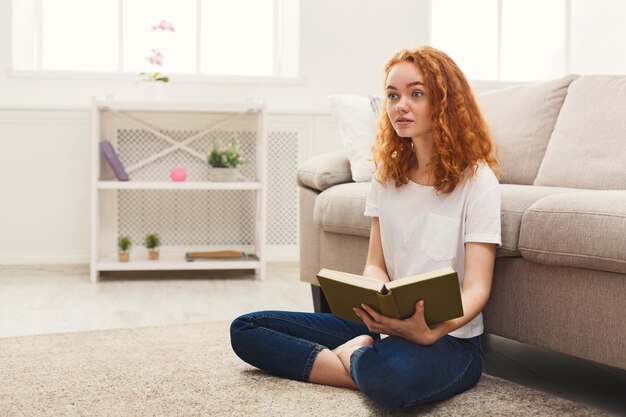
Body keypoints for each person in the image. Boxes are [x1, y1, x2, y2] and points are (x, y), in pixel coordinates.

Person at [230, 46, 501, 410]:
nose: (400, 105)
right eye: (392, 95)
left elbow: (476, 288)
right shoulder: (387, 175)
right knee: (246, 329)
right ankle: (358, 354)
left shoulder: (477, 180)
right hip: (382, 327)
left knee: (388, 381)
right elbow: (376, 263)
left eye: (416, 94)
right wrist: (376, 297)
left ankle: (354, 356)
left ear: (445, 102)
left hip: (449, 341)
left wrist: (430, 330)